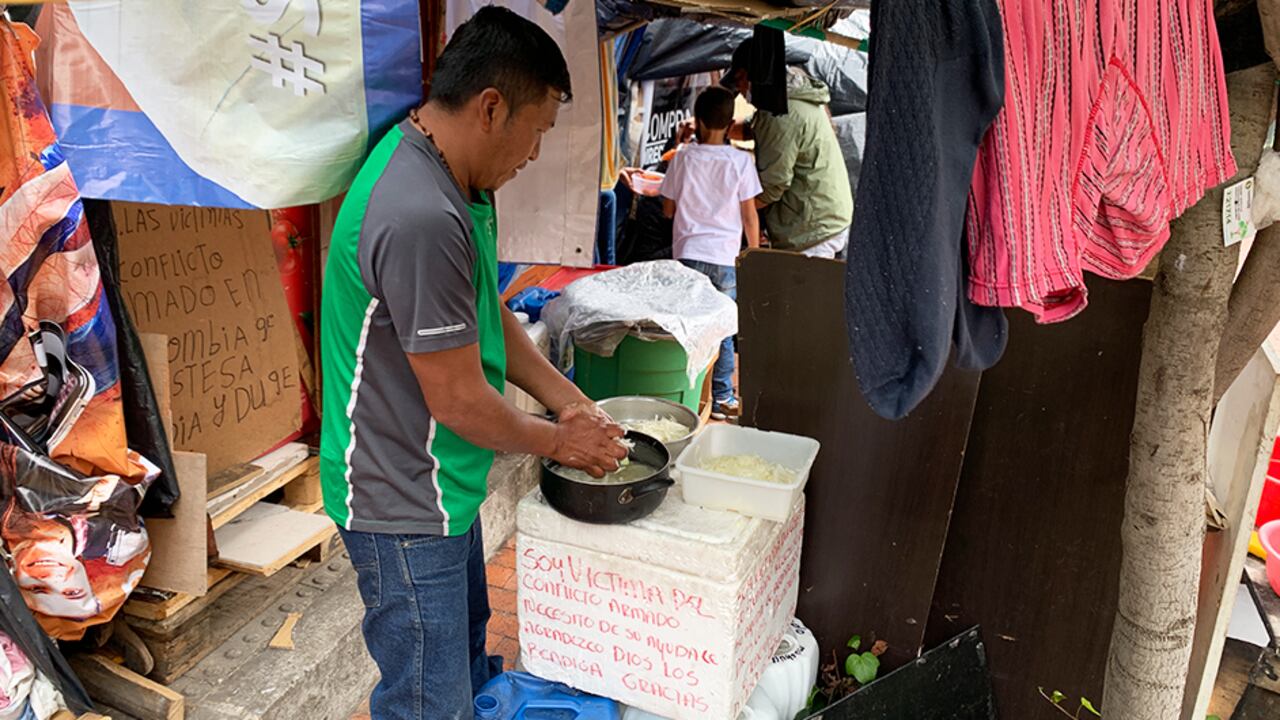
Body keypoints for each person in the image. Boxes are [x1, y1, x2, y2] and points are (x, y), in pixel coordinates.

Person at [318, 7, 628, 719]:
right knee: (429, 701)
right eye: (540, 130)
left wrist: (570, 401)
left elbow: (486, 319)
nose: (536, 153)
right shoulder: (421, 212)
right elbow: (457, 399)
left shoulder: (458, 184)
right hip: (399, 497)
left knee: (463, 660)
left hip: (440, 487)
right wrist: (559, 441)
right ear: (492, 107)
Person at [682, 40, 853, 259]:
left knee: (799, 292)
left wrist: (719, 207)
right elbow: (755, 127)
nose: (741, 92)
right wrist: (710, 125)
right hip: (822, 215)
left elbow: (773, 185)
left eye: (740, 83)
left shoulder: (780, 115)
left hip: (811, 228)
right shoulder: (783, 98)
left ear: (752, 76)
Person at [657, 86, 760, 420]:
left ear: (697, 120)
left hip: (688, 255)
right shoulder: (742, 161)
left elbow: (668, 210)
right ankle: (720, 399)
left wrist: (679, 143)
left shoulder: (683, 156)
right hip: (725, 259)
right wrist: (754, 254)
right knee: (724, 330)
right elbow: (749, 214)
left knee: (688, 326)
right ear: (731, 122)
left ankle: (685, 395)